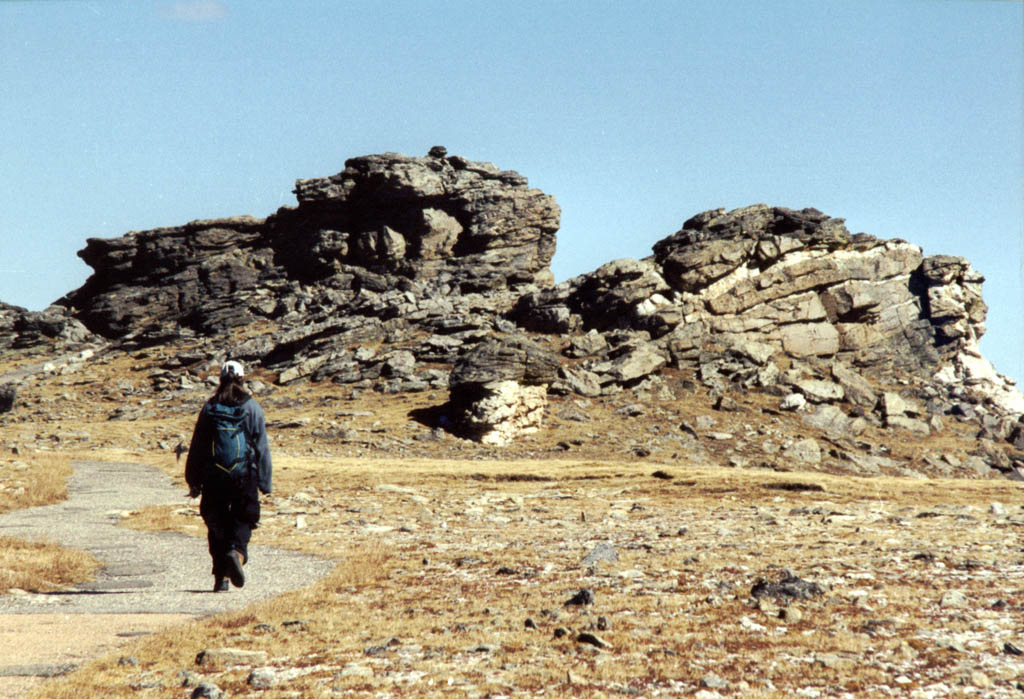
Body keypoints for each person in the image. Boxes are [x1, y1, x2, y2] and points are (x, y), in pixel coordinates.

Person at [185, 360, 272, 592]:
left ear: (221, 379)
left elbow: (198, 447)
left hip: (214, 476)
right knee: (245, 518)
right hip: (245, 475)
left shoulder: (210, 407)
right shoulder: (252, 407)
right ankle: (237, 554)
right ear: (243, 379)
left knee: (217, 524)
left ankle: (220, 577)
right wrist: (265, 482)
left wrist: (193, 481)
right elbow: (261, 446)